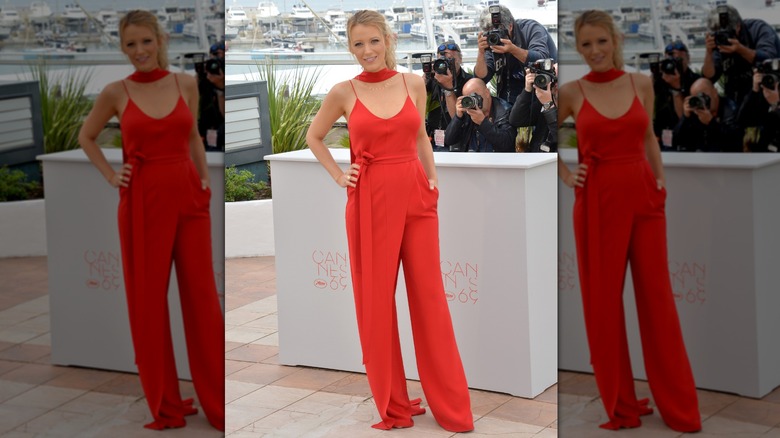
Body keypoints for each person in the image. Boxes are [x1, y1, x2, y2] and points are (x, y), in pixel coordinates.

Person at [304, 10, 473, 433]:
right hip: (370, 203)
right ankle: (393, 403)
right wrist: (341, 175)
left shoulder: (413, 83)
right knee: (377, 306)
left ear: (387, 40)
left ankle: (451, 406)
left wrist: (432, 177)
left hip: (417, 199)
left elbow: (419, 136)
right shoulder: (343, 92)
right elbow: (314, 136)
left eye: (373, 42)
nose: (367, 51)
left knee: (430, 301)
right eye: (358, 44)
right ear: (350, 47)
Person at [77, 10, 224, 432]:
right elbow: (87, 136)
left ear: (159, 40)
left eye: (145, 42)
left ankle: (216, 401)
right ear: (122, 49)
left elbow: (194, 136)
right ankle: (167, 403)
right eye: (130, 45)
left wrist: (202, 183)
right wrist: (111, 175)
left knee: (202, 301)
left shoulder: (187, 83)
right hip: (141, 201)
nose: (139, 51)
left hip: (188, 198)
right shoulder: (115, 91)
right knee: (149, 304)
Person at [556, 9, 701, 433]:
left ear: (615, 40)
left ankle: (678, 407)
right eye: (585, 44)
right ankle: (619, 403)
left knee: (658, 303)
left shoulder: (641, 82)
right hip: (597, 202)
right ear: (577, 48)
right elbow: (540, 139)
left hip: (644, 199)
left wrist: (660, 181)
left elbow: (647, 136)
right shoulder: (572, 91)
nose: (595, 51)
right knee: (603, 307)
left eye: (601, 41)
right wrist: (566, 174)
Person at [474, 4, 557, 104]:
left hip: (542, 90)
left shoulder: (531, 29)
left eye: (498, 31)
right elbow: (482, 77)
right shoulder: (491, 42)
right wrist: (481, 53)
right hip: (509, 96)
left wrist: (513, 49)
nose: (495, 36)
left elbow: (541, 58)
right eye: (489, 32)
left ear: (510, 26)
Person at [701, 4, 780, 109]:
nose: (723, 37)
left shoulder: (758, 29)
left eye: (726, 33)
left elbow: (769, 58)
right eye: (718, 34)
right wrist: (709, 53)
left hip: (768, 91)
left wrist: (740, 49)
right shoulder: (718, 42)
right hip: (736, 95)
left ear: (738, 26)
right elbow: (709, 77)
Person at [425, 40, 473, 151]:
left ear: (460, 60)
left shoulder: (469, 82)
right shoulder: (433, 78)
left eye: (450, 60)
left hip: (457, 140)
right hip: (432, 139)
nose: (445, 66)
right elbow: (417, 105)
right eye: (442, 62)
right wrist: (426, 77)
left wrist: (448, 88)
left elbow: (458, 118)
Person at [444, 78, 516, 152]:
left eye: (475, 96)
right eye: (469, 98)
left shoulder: (505, 110)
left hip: (496, 161)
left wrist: (483, 123)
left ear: (487, 93)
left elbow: (506, 143)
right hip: (471, 160)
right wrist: (458, 118)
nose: (473, 102)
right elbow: (449, 140)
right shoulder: (467, 112)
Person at [652, 40, 700, 150]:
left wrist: (676, 87)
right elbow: (648, 106)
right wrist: (654, 75)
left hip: (688, 135)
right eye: (670, 61)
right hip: (663, 134)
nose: (674, 64)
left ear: (688, 59)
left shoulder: (696, 82)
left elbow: (683, 117)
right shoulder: (661, 79)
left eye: (679, 60)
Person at [673, 77, 743, 152]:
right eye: (698, 98)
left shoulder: (731, 109)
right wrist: (685, 117)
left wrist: (711, 122)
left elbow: (734, 141)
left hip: (725, 159)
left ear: (715, 92)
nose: (702, 102)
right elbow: (675, 141)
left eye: (704, 96)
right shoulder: (695, 112)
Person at [509, 65, 558, 152]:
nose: (555, 84)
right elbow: (516, 120)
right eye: (552, 77)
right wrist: (527, 90)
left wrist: (549, 106)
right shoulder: (543, 101)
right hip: (537, 159)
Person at [737, 67, 780, 152]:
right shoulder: (763, 98)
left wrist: (776, 103)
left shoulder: (773, 101)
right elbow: (742, 121)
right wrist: (754, 91)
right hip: (763, 155)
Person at [198, 41, 225, 152]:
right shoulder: (204, 79)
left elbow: (224, 114)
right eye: (214, 55)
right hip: (207, 129)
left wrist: (220, 86)